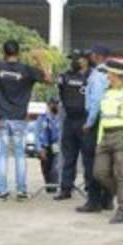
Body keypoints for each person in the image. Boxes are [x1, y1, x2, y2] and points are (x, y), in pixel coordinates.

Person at [0, 39, 52, 200]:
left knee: (2, 155)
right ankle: (22, 191)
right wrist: (40, 59)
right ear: (19, 53)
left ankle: (2, 192)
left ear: (4, 53)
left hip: (0, 118)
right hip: (19, 119)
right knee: (19, 155)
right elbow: (49, 80)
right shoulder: (27, 70)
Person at [92, 59, 123, 224]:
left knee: (122, 174)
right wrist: (99, 140)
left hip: (121, 136)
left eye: (108, 73)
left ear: (115, 75)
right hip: (105, 136)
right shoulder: (107, 93)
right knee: (99, 173)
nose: (106, 76)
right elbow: (103, 119)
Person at [78, 44, 114, 213]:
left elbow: (96, 102)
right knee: (107, 162)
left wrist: (89, 123)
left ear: (98, 56)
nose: (90, 56)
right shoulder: (112, 73)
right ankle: (107, 199)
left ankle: (93, 201)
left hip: (96, 121)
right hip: (109, 121)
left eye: (92, 54)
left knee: (91, 161)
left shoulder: (98, 75)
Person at [55, 50, 91, 201]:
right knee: (68, 157)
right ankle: (65, 188)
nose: (74, 62)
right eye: (73, 59)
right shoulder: (64, 77)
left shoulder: (91, 77)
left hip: (85, 121)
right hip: (69, 120)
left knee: (88, 157)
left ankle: (91, 188)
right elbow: (60, 93)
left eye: (77, 59)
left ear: (85, 60)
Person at [30, 97, 62, 193]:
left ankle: (54, 189)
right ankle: (49, 188)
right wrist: (39, 149)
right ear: (48, 105)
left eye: (57, 103)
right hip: (45, 147)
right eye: (53, 103)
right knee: (46, 169)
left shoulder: (62, 118)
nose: (55, 106)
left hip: (57, 146)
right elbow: (37, 133)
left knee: (55, 168)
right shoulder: (42, 117)